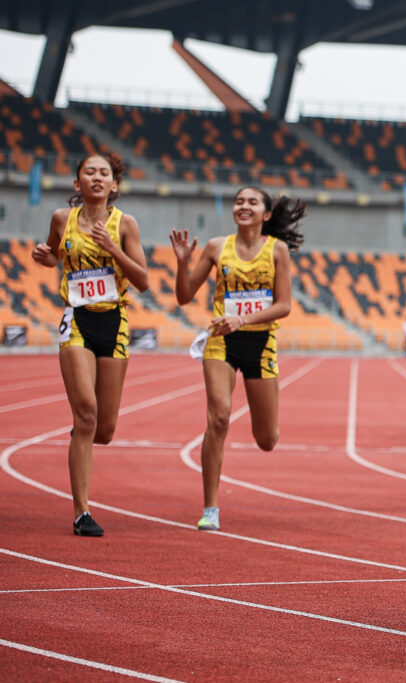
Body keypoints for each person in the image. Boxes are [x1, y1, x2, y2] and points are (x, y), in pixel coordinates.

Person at [170, 187, 305, 531]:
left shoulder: (277, 250)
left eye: (252, 202)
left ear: (266, 214)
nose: (244, 206)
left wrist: (243, 319)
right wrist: (183, 262)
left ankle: (266, 427)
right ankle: (210, 508)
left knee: (267, 440)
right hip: (221, 341)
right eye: (239, 201)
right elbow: (185, 297)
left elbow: (284, 305)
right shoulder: (217, 247)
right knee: (219, 418)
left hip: (260, 344)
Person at [31, 153, 150, 537]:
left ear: (114, 185)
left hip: (113, 322)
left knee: (105, 428)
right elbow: (53, 256)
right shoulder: (61, 220)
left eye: (105, 174)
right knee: (86, 415)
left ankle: (82, 434)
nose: (97, 178)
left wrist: (113, 248)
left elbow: (143, 279)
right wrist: (44, 257)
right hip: (76, 320)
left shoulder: (125, 223)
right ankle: (82, 512)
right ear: (77, 183)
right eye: (89, 172)